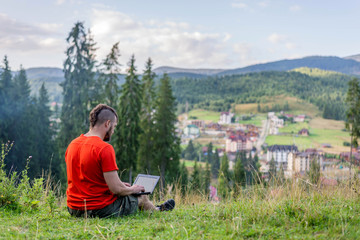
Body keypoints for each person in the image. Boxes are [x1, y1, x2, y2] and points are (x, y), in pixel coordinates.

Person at [65, 104, 175, 218]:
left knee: (127, 192)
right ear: (107, 124)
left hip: (74, 208)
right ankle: (158, 211)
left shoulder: (73, 144)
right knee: (142, 197)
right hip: (99, 209)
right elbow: (116, 190)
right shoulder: (104, 148)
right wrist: (132, 189)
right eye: (114, 126)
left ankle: (155, 208)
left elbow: (88, 179)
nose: (113, 131)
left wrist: (122, 185)